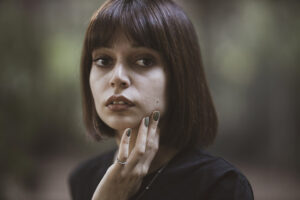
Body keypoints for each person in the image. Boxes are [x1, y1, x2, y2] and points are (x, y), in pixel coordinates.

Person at [68, 0, 254, 199]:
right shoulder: (84, 178)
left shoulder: (220, 186)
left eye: (143, 61)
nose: (117, 77)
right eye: (103, 61)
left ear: (179, 77)